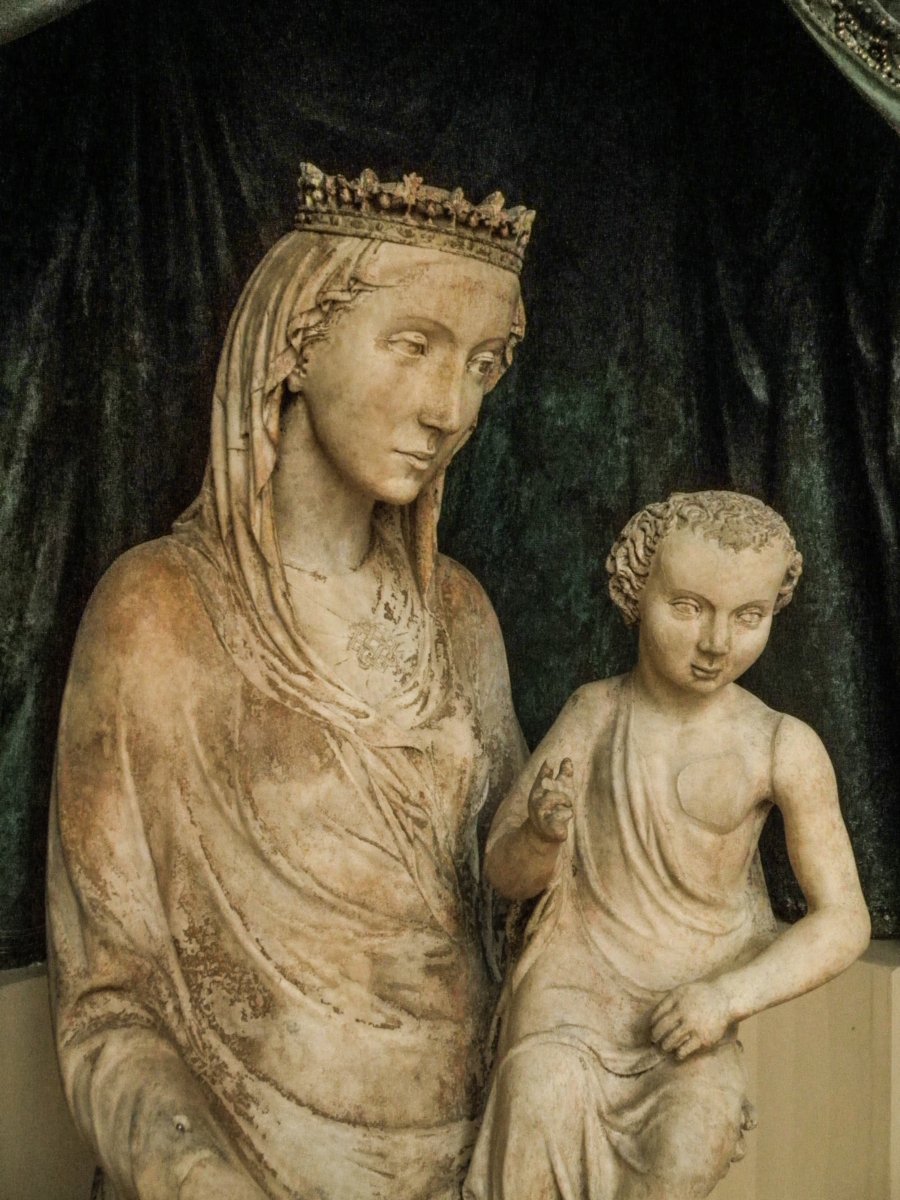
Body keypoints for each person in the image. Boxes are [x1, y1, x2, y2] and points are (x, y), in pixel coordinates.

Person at [47, 165, 534, 1200]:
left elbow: (518, 916)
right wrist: (192, 1172)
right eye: (414, 345)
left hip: (480, 1155)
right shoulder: (156, 614)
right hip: (245, 1164)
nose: (451, 408)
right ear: (295, 345)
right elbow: (111, 1003)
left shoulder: (459, 615)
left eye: (484, 365)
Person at [464, 490, 870, 1200]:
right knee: (538, 1097)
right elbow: (504, 872)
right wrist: (541, 835)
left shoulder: (780, 746)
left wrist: (727, 997)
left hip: (690, 1018)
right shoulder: (595, 713)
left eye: (748, 616)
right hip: (572, 1003)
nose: (716, 642)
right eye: (688, 607)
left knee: (690, 1144)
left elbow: (844, 920)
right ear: (634, 592)